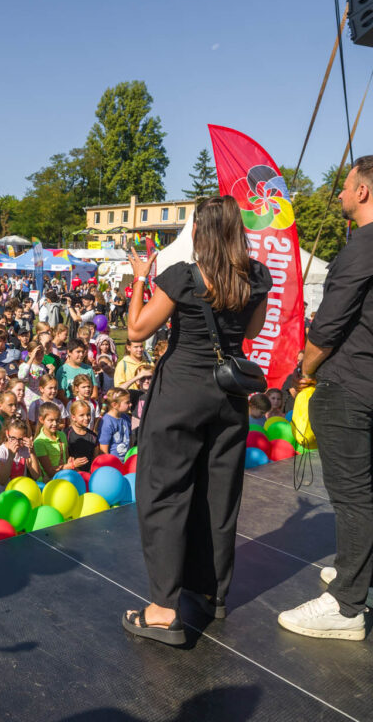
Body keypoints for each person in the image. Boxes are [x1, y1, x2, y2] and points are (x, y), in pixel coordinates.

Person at [279, 155, 373, 642]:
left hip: (346, 384)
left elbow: (328, 326)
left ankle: (345, 606)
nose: (340, 194)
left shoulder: (366, 246)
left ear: (363, 191)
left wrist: (305, 372)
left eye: (344, 187)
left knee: (352, 496)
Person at [121, 194, 271, 645]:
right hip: (230, 397)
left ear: (200, 232)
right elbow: (251, 332)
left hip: (182, 394)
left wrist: (140, 279)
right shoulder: (256, 277)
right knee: (218, 493)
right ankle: (211, 592)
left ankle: (163, 611)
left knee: (165, 491)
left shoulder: (182, 276)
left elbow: (137, 330)